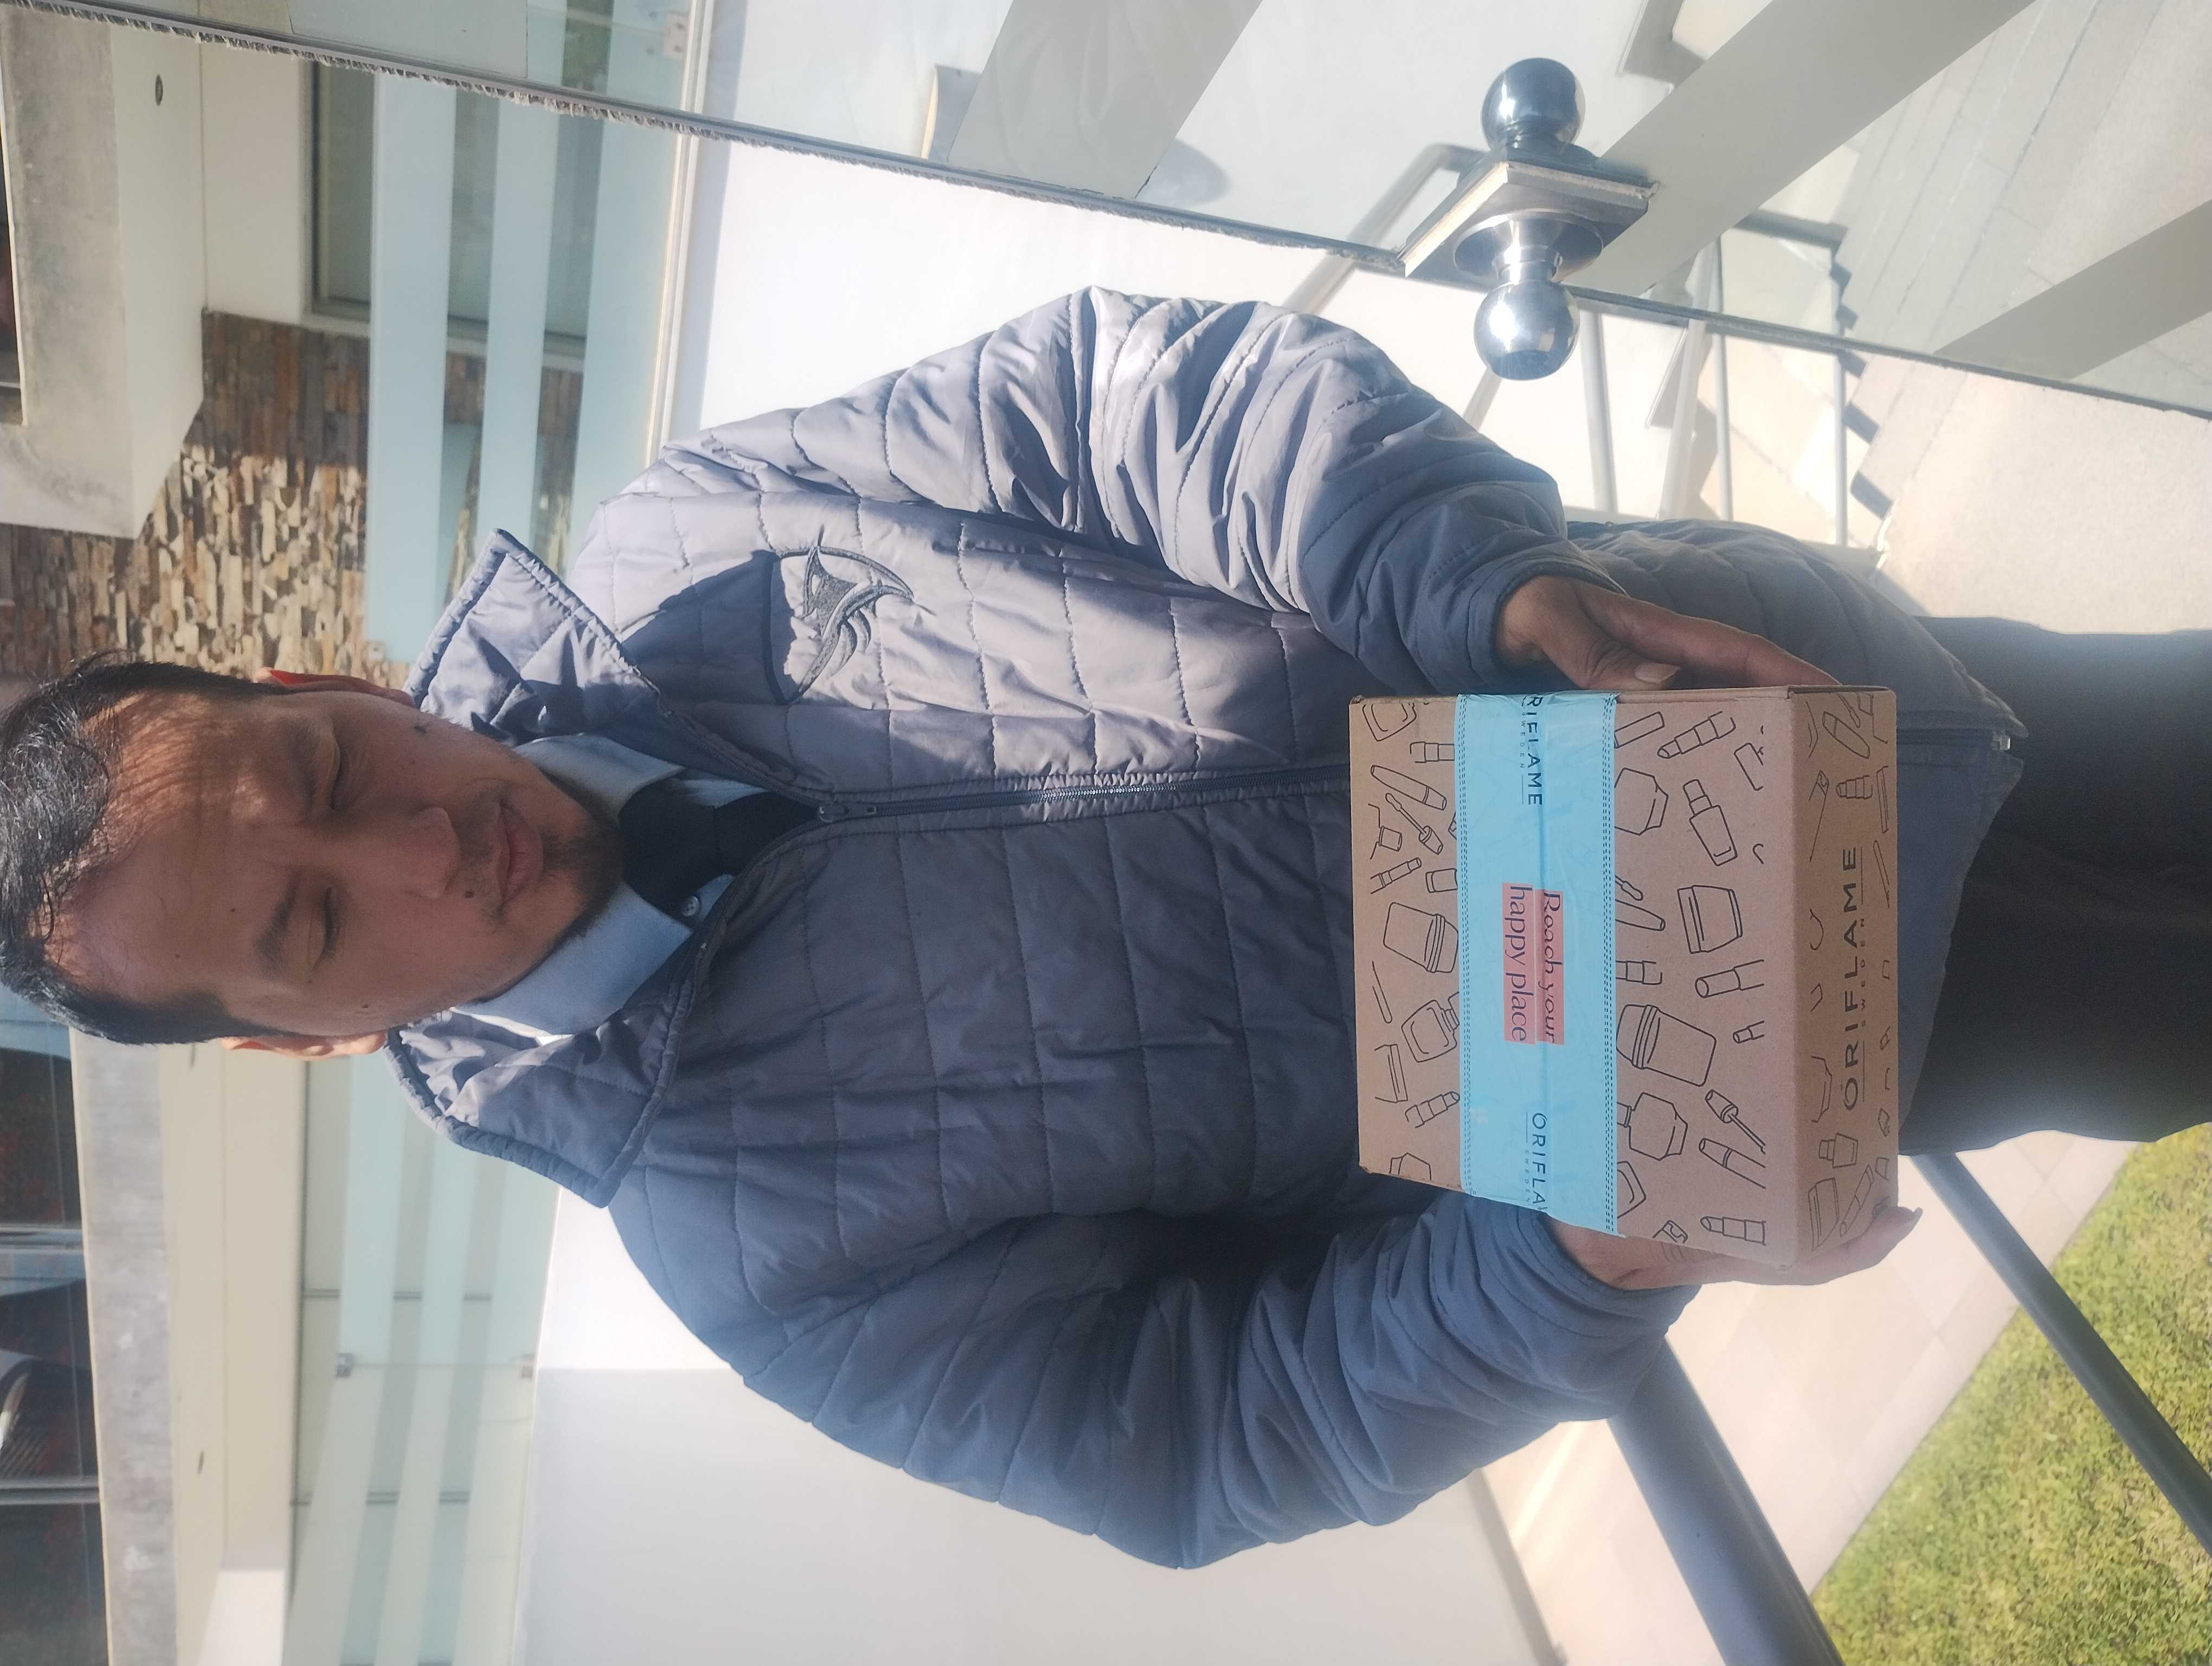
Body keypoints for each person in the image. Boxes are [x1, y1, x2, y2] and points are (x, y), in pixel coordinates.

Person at [0, 291, 2202, 1565]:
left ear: (308, 679)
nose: (420, 850)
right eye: (315, 925)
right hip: (1817, 1011)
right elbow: (1220, 1432)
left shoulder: (699, 533)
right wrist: (1568, 1257)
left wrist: (1493, 589)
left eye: (328, 774)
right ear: (300, 1042)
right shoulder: (759, 1257)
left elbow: (1131, 409)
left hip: (1784, 675)